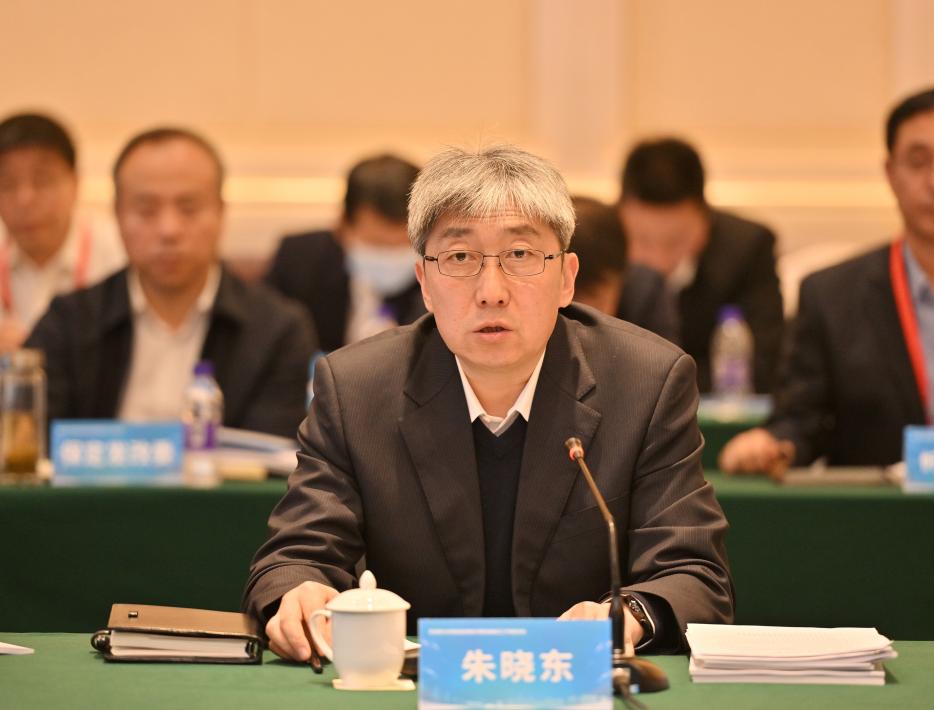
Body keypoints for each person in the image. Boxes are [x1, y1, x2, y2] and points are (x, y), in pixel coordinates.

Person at [244, 145, 734, 661]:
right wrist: (298, 592)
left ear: (567, 278)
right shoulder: (356, 389)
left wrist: (629, 615)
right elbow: (295, 555)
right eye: (460, 258)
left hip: (575, 681)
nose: (492, 291)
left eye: (521, 255)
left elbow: (694, 573)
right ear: (424, 283)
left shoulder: (646, 382)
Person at [720, 87, 934, 476]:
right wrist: (773, 445)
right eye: (918, 161)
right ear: (891, 174)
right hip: (878, 510)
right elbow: (799, 421)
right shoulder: (830, 296)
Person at [26, 127, 317, 438]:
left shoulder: (278, 330)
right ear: (118, 214)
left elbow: (271, 455)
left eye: (189, 209)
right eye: (146, 210)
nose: (169, 230)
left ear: (221, 213)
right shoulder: (68, 322)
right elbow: (33, 441)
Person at [618, 138, 784, 393]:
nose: (659, 260)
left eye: (675, 242)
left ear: (705, 217)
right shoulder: (601, 249)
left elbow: (762, 361)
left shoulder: (748, 249)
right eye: (642, 241)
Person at [265, 154, 424, 352]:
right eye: (376, 244)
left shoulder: (440, 274)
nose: (392, 255)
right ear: (341, 227)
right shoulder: (298, 261)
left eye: (406, 244)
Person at [0, 113, 124, 352]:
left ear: (75, 183)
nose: (25, 199)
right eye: (7, 184)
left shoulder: (118, 255)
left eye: (42, 181)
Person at [568, 195, 677, 342]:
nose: (578, 315)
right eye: (572, 300)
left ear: (621, 278)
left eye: (597, 301)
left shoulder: (647, 293)